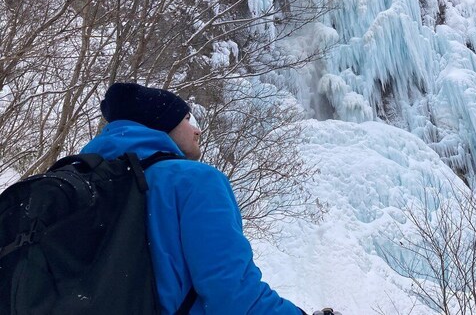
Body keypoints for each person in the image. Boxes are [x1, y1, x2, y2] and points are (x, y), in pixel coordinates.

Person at [81, 82, 307, 315]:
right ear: (160, 124)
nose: (197, 131)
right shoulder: (193, 180)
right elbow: (234, 296)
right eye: (188, 120)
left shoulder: (84, 180)